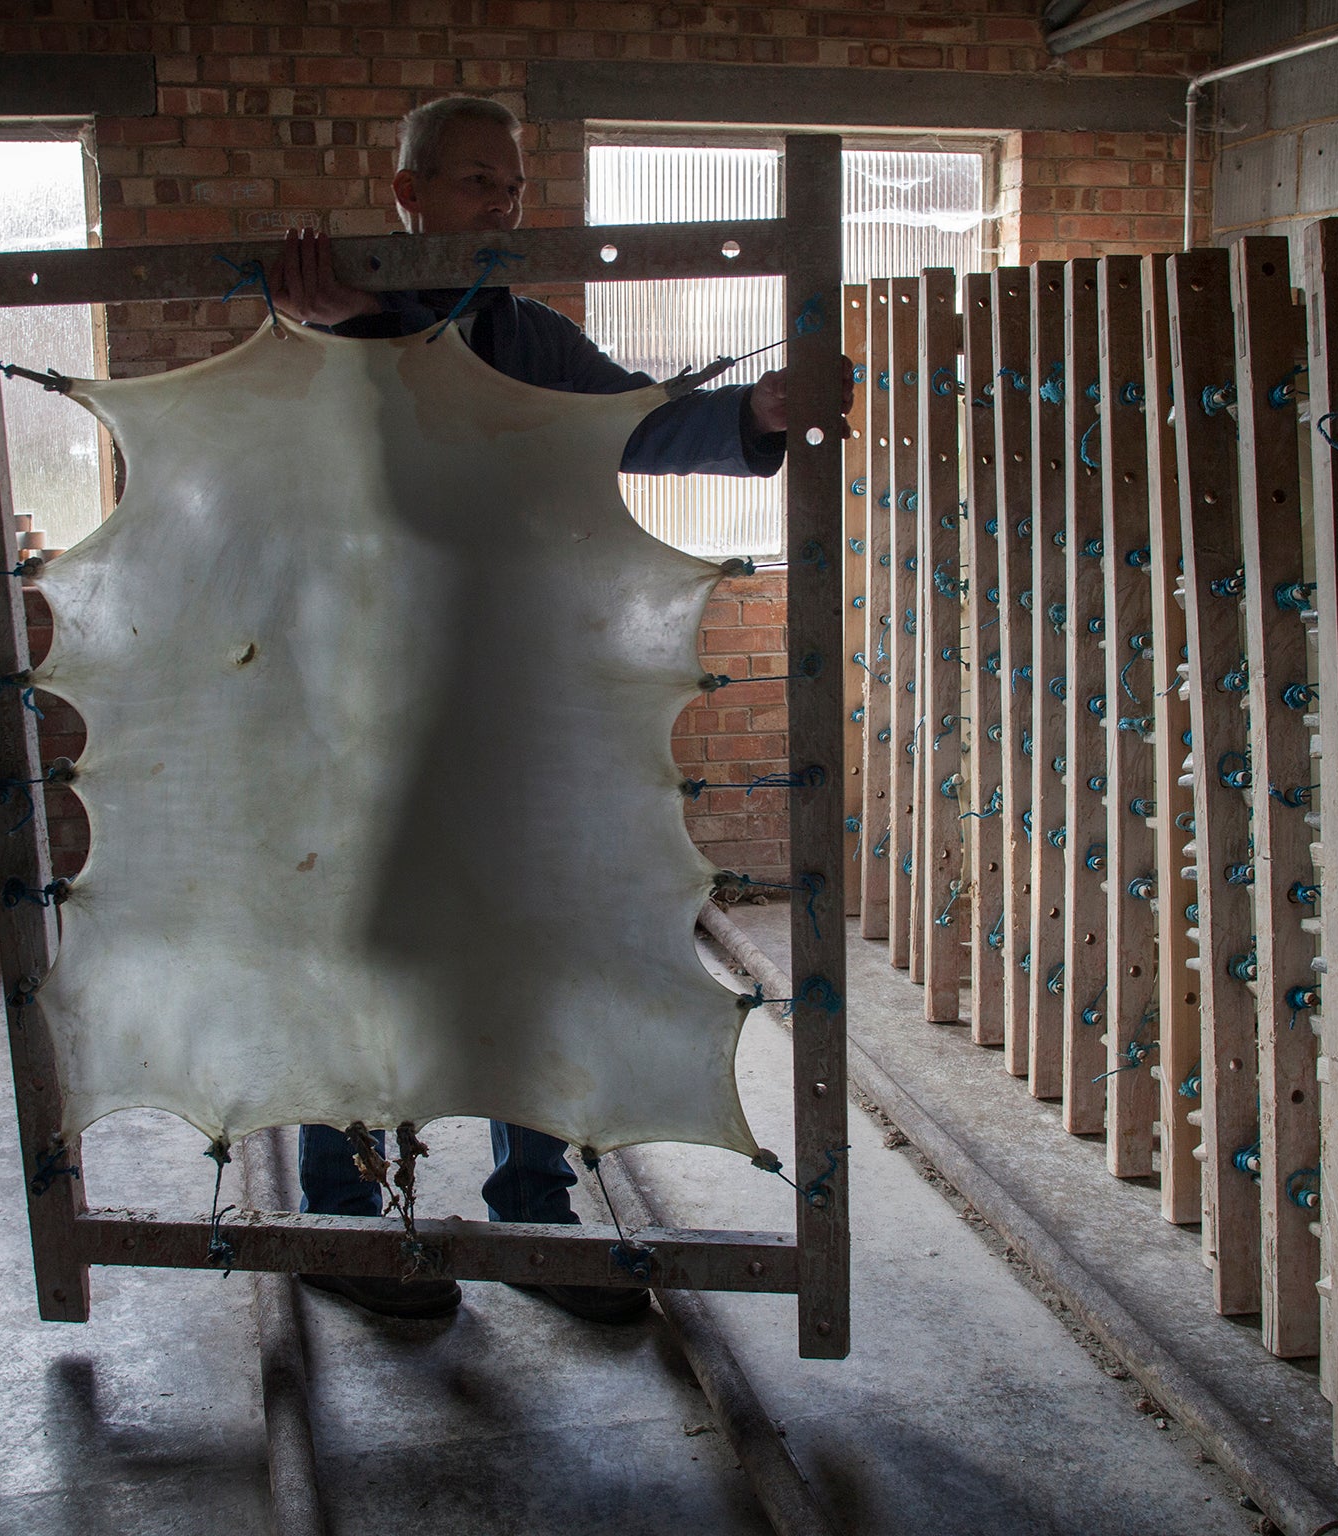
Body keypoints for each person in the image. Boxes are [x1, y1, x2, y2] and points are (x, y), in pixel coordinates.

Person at [268, 94, 846, 1327]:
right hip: (354, 702)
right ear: (406, 192)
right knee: (366, 944)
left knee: (527, 947)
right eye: (477, 179)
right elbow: (356, 420)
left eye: (514, 185)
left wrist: (752, 418)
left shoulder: (524, 335)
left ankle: (534, 1217)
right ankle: (341, 1215)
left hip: (506, 694)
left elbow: (629, 422)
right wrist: (359, 323)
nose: (503, 202)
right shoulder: (316, 312)